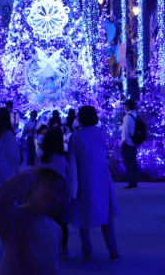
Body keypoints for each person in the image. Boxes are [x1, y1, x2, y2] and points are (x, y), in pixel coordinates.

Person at [68, 105, 121, 263]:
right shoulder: (101, 133)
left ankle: (87, 251)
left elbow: (71, 160)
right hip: (102, 178)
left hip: (83, 178)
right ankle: (113, 251)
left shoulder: (75, 136)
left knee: (83, 215)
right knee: (106, 215)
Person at [0, 167, 66, 274]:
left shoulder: (55, 228)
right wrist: (25, 175)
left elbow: (54, 266)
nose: (54, 195)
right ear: (32, 186)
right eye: (50, 187)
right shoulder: (15, 218)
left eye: (59, 193)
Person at [36, 126, 71, 257]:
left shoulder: (40, 157)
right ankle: (63, 249)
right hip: (57, 195)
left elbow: (36, 174)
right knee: (61, 222)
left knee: (44, 221)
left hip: (41, 192)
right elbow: (61, 178)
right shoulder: (60, 159)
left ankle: (44, 247)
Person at [121, 99, 139, 189]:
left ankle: (131, 182)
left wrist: (123, 140)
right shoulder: (135, 115)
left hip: (128, 142)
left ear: (127, 106)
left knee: (128, 163)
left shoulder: (127, 117)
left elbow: (125, 130)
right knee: (133, 162)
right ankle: (134, 180)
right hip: (134, 141)